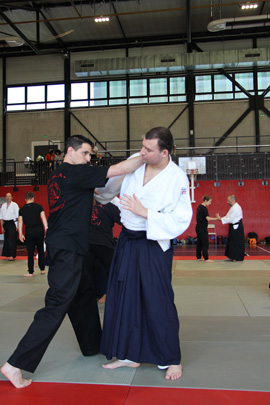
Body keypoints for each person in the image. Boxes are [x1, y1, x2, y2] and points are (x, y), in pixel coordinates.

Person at [0, 134, 143, 389]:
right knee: (56, 306)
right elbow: (119, 169)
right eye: (86, 153)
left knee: (84, 294)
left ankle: (92, 346)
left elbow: (96, 194)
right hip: (67, 250)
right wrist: (147, 154)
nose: (89, 159)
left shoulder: (58, 175)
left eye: (91, 155)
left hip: (67, 247)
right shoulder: (77, 173)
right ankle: (14, 364)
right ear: (70, 151)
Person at [96, 127, 192, 381]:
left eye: (148, 149)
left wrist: (145, 212)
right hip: (127, 240)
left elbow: (182, 219)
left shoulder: (177, 178)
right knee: (124, 296)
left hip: (153, 242)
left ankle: (172, 358)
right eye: (142, 146)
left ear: (164, 152)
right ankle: (129, 354)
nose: (142, 152)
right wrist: (99, 191)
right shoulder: (136, 163)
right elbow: (110, 187)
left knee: (158, 299)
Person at [87, 196, 121, 302]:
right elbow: (123, 220)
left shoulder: (83, 205)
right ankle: (109, 294)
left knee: (88, 272)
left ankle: (91, 295)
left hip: (86, 243)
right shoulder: (109, 206)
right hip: (104, 243)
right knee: (112, 271)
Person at [18, 191, 48, 277]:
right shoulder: (39, 207)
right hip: (39, 230)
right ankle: (42, 269)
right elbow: (43, 218)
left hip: (29, 231)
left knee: (30, 252)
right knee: (40, 250)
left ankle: (30, 271)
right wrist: (47, 230)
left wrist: (20, 233)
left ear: (25, 199)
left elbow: (20, 222)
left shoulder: (22, 209)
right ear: (33, 198)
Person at [217, 195, 245, 262]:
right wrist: (221, 218)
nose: (227, 202)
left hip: (237, 227)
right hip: (232, 226)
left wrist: (220, 219)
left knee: (236, 242)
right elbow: (227, 216)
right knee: (231, 242)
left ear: (232, 201)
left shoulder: (236, 208)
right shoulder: (233, 207)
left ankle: (237, 258)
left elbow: (230, 218)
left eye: (228, 201)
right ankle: (231, 256)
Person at [195, 195, 218, 263]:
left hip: (198, 227)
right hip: (202, 228)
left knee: (199, 242)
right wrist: (217, 218)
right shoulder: (204, 208)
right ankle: (206, 258)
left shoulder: (199, 207)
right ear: (205, 201)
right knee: (205, 243)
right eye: (209, 201)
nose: (210, 203)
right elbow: (207, 218)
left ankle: (198, 257)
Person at [0, 193, 19, 261]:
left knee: (12, 240)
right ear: (5, 197)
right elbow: (1, 217)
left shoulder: (15, 205)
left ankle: (12, 255)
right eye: (7, 196)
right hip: (6, 223)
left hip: (12, 223)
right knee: (7, 240)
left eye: (9, 196)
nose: (8, 197)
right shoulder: (3, 206)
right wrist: (1, 226)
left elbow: (18, 216)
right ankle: (7, 254)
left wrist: (18, 226)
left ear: (12, 197)